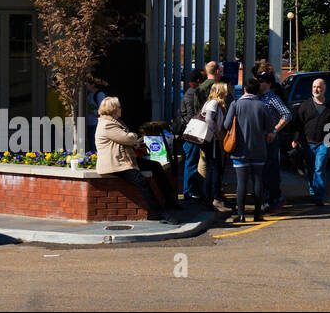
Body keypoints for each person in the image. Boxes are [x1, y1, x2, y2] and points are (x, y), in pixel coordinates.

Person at [95, 97, 180, 224]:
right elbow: (128, 138)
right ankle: (159, 213)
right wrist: (134, 137)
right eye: (119, 107)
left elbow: (126, 141)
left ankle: (169, 200)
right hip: (116, 164)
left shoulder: (114, 122)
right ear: (113, 109)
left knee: (155, 166)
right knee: (141, 182)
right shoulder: (107, 125)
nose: (121, 109)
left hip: (124, 160)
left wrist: (134, 142)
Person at [223, 81, 279, 223]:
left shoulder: (235, 104)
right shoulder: (262, 105)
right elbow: (270, 127)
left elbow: (226, 124)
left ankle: (241, 215)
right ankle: (257, 214)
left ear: (244, 89)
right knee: (258, 181)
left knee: (241, 182)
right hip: (259, 148)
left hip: (239, 149)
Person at [292, 77, 330, 206]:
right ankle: (313, 191)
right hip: (308, 142)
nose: (316, 89)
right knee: (311, 169)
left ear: (324, 89)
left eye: (319, 87)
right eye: (314, 87)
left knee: (320, 168)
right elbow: (298, 125)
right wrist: (294, 140)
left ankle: (318, 196)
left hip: (325, 141)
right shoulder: (305, 105)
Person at [258, 70, 292, 212]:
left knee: (270, 169)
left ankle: (274, 198)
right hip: (260, 139)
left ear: (269, 84)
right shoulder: (258, 97)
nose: (259, 83)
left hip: (269, 139)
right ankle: (266, 197)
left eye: (262, 81)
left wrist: (274, 130)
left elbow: (287, 114)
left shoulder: (272, 98)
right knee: (262, 170)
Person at [172, 69, 206, 206]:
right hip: (192, 134)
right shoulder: (192, 94)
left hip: (191, 133)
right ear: (198, 81)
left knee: (191, 162)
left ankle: (190, 191)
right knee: (191, 163)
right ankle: (188, 192)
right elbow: (191, 116)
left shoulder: (189, 93)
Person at [200, 81, 231, 212]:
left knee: (213, 169)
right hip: (212, 141)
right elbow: (208, 119)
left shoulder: (212, 103)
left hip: (211, 140)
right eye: (225, 89)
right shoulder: (213, 103)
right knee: (215, 169)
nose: (228, 92)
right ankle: (215, 199)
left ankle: (209, 199)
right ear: (220, 91)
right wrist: (217, 133)